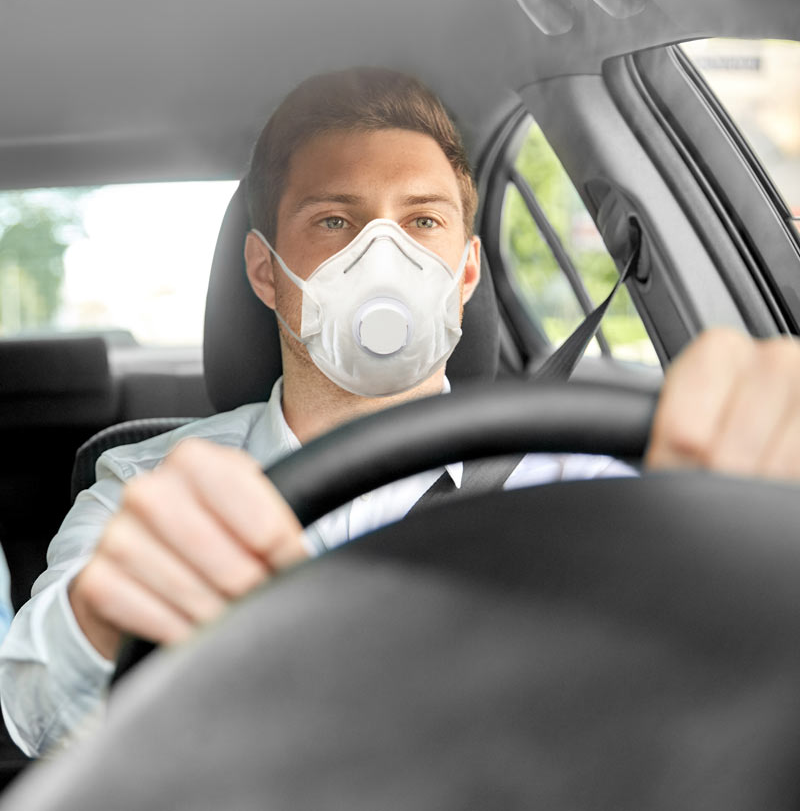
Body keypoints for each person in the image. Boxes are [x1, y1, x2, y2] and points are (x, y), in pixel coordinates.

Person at [1, 67, 800, 759]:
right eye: (336, 222)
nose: (384, 260)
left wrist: (751, 523)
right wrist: (105, 617)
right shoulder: (153, 486)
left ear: (464, 272)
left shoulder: (584, 476)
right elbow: (34, 709)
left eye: (422, 222)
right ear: (265, 272)